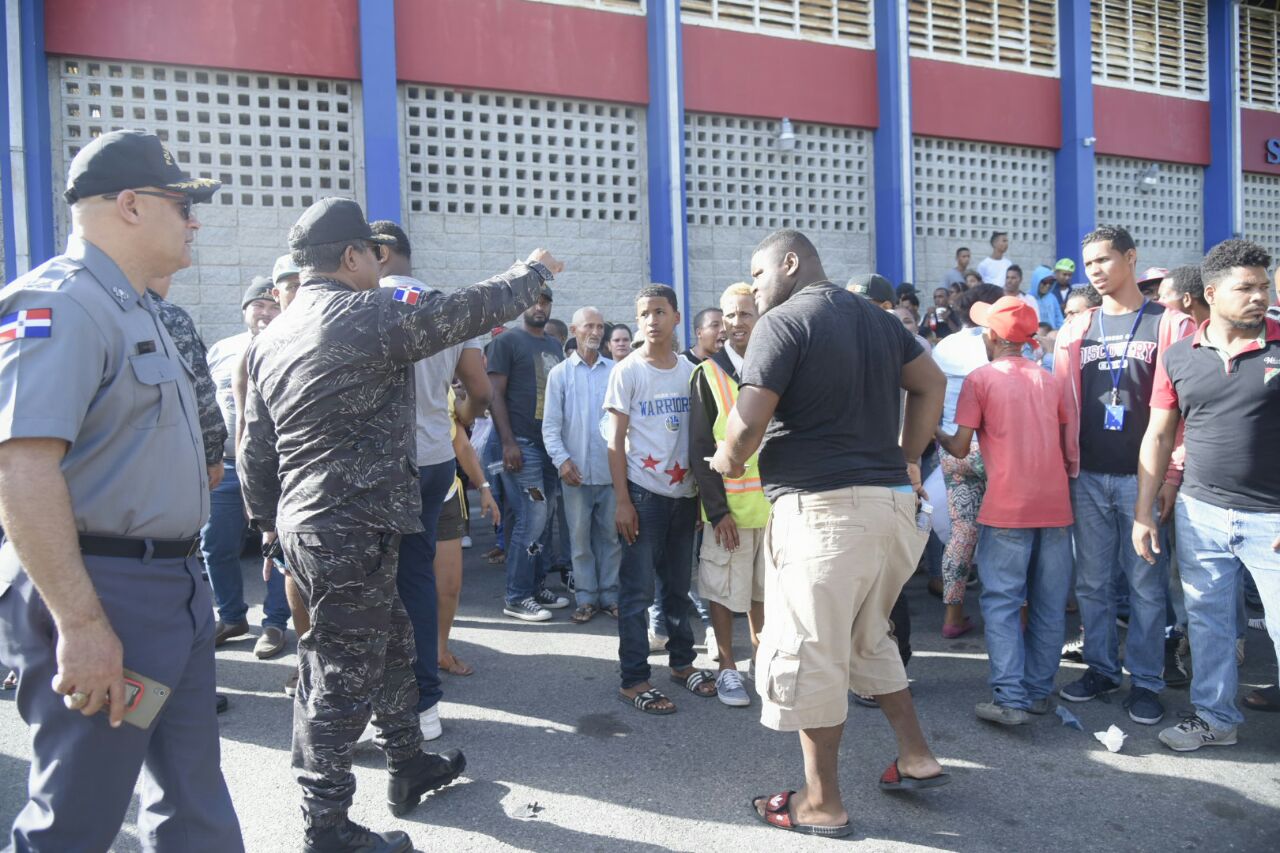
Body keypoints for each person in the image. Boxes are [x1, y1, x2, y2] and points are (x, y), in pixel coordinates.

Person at [239, 194, 561, 850]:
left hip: (317, 526)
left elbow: (254, 446)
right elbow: (466, 311)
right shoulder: (366, 313)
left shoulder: (270, 338)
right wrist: (531, 273)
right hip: (348, 528)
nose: (376, 268)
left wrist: (268, 525)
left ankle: (408, 763)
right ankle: (324, 824)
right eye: (369, 257)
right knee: (334, 675)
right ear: (355, 256)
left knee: (390, 645)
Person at [0, 129, 243, 851]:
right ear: (131, 205)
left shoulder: (139, 309)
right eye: (181, 204)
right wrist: (79, 622)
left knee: (193, 799)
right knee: (77, 815)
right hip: (108, 593)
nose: (193, 219)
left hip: (174, 584)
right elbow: (21, 469)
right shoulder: (59, 303)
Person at [712, 230, 949, 838]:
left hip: (822, 513)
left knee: (809, 652)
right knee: (869, 638)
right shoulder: (877, 320)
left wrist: (727, 461)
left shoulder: (784, 320)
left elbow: (748, 422)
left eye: (758, 274)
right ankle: (917, 757)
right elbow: (932, 384)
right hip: (891, 508)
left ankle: (820, 804)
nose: (756, 287)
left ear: (790, 263)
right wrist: (907, 457)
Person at [1133, 238, 1280, 749]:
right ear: (1212, 293)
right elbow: (1158, 435)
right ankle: (1216, 720)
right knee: (1210, 623)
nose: (1260, 296)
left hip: (1273, 521)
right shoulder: (1178, 357)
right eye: (1247, 287)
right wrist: (1144, 510)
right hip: (1202, 513)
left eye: (1265, 285)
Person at [1053, 225, 1193, 728]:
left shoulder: (1169, 324)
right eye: (1088, 263)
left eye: (1104, 260)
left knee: (1146, 586)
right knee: (1092, 584)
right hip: (1087, 474)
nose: (1095, 270)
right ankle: (1101, 670)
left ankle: (1149, 682)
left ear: (1131, 259)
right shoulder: (1077, 328)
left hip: (1144, 480)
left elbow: (1187, 412)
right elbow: (1061, 405)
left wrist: (1171, 479)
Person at [369, 220, 492, 741]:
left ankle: (376, 704)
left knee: (370, 584)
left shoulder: (362, 303)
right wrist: (457, 419)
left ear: (378, 253)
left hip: (379, 464)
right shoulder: (444, 305)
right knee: (417, 581)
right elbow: (479, 391)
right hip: (437, 459)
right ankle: (424, 706)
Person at [937, 296, 1074, 725]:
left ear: (993, 336)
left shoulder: (980, 379)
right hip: (1056, 509)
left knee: (1001, 602)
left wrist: (929, 428)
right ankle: (1036, 693)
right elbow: (1069, 451)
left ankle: (1010, 699)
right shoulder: (1051, 380)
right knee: (1049, 605)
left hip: (1006, 508)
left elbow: (960, 447)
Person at [606, 284, 714, 715]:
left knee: (677, 588)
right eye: (644, 313)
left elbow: (704, 436)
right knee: (636, 593)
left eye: (659, 311)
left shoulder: (692, 370)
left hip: (684, 496)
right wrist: (622, 501)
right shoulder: (628, 371)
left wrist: (704, 499)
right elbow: (614, 443)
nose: (651, 320)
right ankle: (634, 679)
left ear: (675, 317)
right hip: (643, 496)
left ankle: (682, 664)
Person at [232, 254, 310, 697]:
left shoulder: (344, 332)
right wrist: (260, 514)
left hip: (351, 489)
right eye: (288, 286)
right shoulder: (258, 351)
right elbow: (248, 435)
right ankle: (307, 661)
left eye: (302, 283)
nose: (295, 294)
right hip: (288, 488)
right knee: (294, 576)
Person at [202, 276, 291, 659]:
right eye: (258, 305)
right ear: (244, 310)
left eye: (272, 305)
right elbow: (203, 403)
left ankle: (274, 623)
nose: (266, 313)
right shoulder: (222, 350)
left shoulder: (293, 343)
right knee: (216, 545)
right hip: (226, 466)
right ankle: (232, 616)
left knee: (278, 549)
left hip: (280, 469)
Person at [689, 283, 769, 708]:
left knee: (763, 593)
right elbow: (700, 449)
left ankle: (762, 662)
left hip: (771, 508)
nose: (737, 324)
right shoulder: (707, 375)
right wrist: (717, 511)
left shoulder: (775, 368)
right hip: (729, 513)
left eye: (746, 314)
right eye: (730, 317)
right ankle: (726, 668)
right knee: (722, 592)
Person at [486, 282, 570, 622]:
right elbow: (493, 395)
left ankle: (535, 587)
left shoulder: (553, 344)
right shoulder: (505, 342)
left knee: (545, 517)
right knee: (531, 516)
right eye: (534, 300)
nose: (540, 306)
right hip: (522, 445)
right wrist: (508, 442)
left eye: (546, 301)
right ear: (522, 304)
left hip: (550, 447)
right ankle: (517, 596)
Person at [932, 284, 1003, 637]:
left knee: (961, 534)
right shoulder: (995, 345)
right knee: (1006, 535)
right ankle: (1009, 616)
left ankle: (952, 617)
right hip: (991, 449)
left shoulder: (944, 346)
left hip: (952, 449)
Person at [542, 306, 620, 624]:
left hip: (611, 471)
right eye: (589, 326)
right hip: (574, 473)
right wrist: (562, 461)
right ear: (574, 331)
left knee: (611, 538)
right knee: (579, 538)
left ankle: (611, 596)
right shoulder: (560, 374)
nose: (596, 332)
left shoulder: (615, 371)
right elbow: (550, 426)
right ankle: (586, 598)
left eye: (600, 326)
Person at [435, 390, 501, 676]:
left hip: (445, 495)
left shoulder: (443, 386)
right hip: (399, 498)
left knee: (449, 586)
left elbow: (460, 443)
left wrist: (484, 488)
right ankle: (403, 659)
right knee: (404, 589)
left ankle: (439, 650)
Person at [1029, 265, 1066, 330]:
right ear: (1036, 281)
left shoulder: (1052, 298)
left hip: (1052, 336)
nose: (1048, 285)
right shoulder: (1027, 298)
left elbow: (1059, 320)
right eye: (1045, 282)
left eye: (1051, 282)